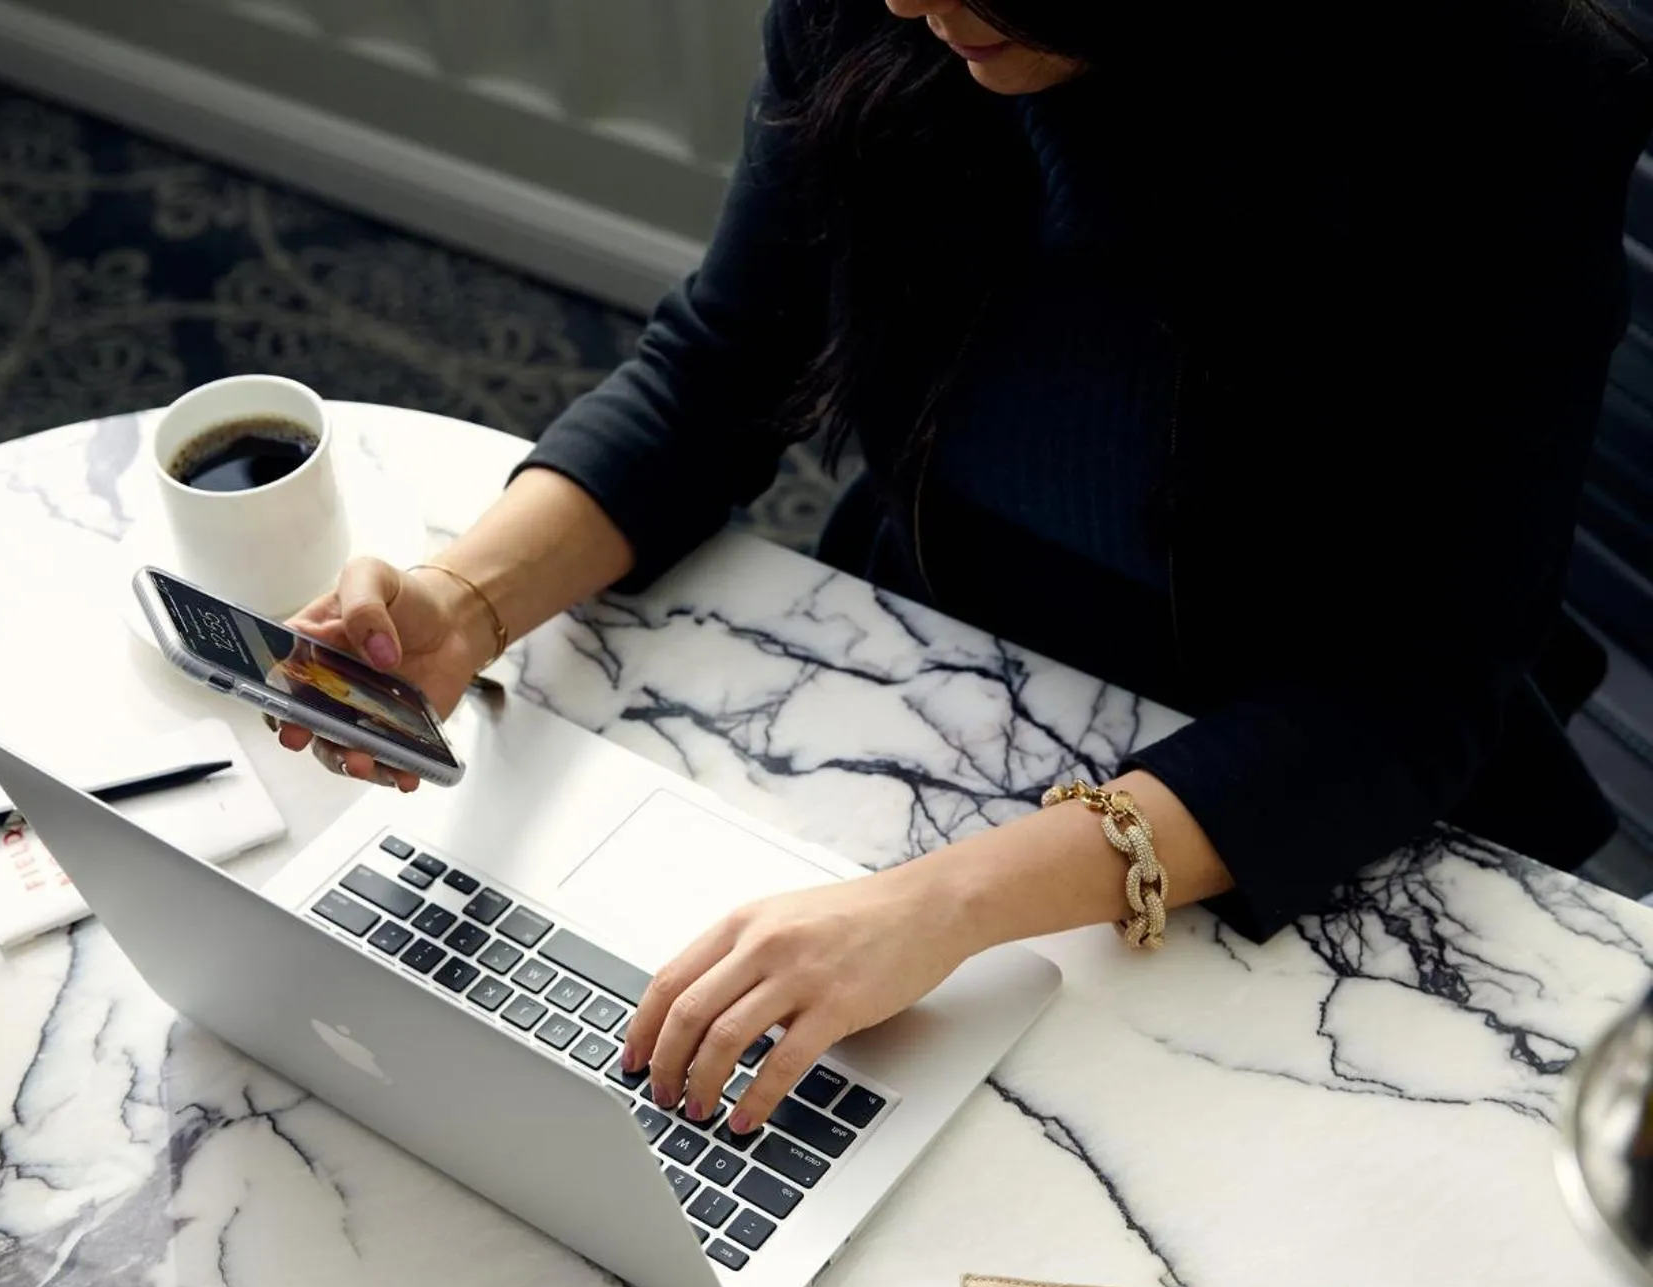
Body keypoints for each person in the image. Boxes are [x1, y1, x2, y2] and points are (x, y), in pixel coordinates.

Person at [275, 0, 1653, 1137]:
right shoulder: (890, 16)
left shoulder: (1508, 87)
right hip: (940, 646)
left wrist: (944, 906)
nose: (907, 6)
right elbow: (720, 365)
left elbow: (1419, 686)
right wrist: (467, 601)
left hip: (1297, 775)